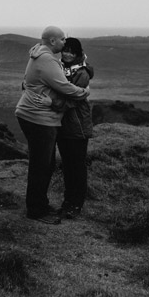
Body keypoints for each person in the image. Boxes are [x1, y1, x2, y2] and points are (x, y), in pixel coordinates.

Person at [14, 26, 90, 224]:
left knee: (43, 164)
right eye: (63, 40)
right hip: (39, 118)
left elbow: (29, 82)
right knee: (42, 165)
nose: (65, 43)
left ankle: (39, 204)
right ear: (53, 41)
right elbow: (64, 87)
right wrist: (84, 93)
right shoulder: (47, 60)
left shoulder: (40, 55)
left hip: (35, 115)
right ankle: (37, 209)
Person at [55, 37, 94, 219]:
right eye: (65, 50)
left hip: (77, 125)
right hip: (63, 125)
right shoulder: (59, 68)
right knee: (68, 166)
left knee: (77, 166)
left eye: (71, 51)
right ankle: (67, 203)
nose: (67, 54)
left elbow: (73, 98)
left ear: (78, 53)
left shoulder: (82, 72)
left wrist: (52, 104)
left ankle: (76, 205)